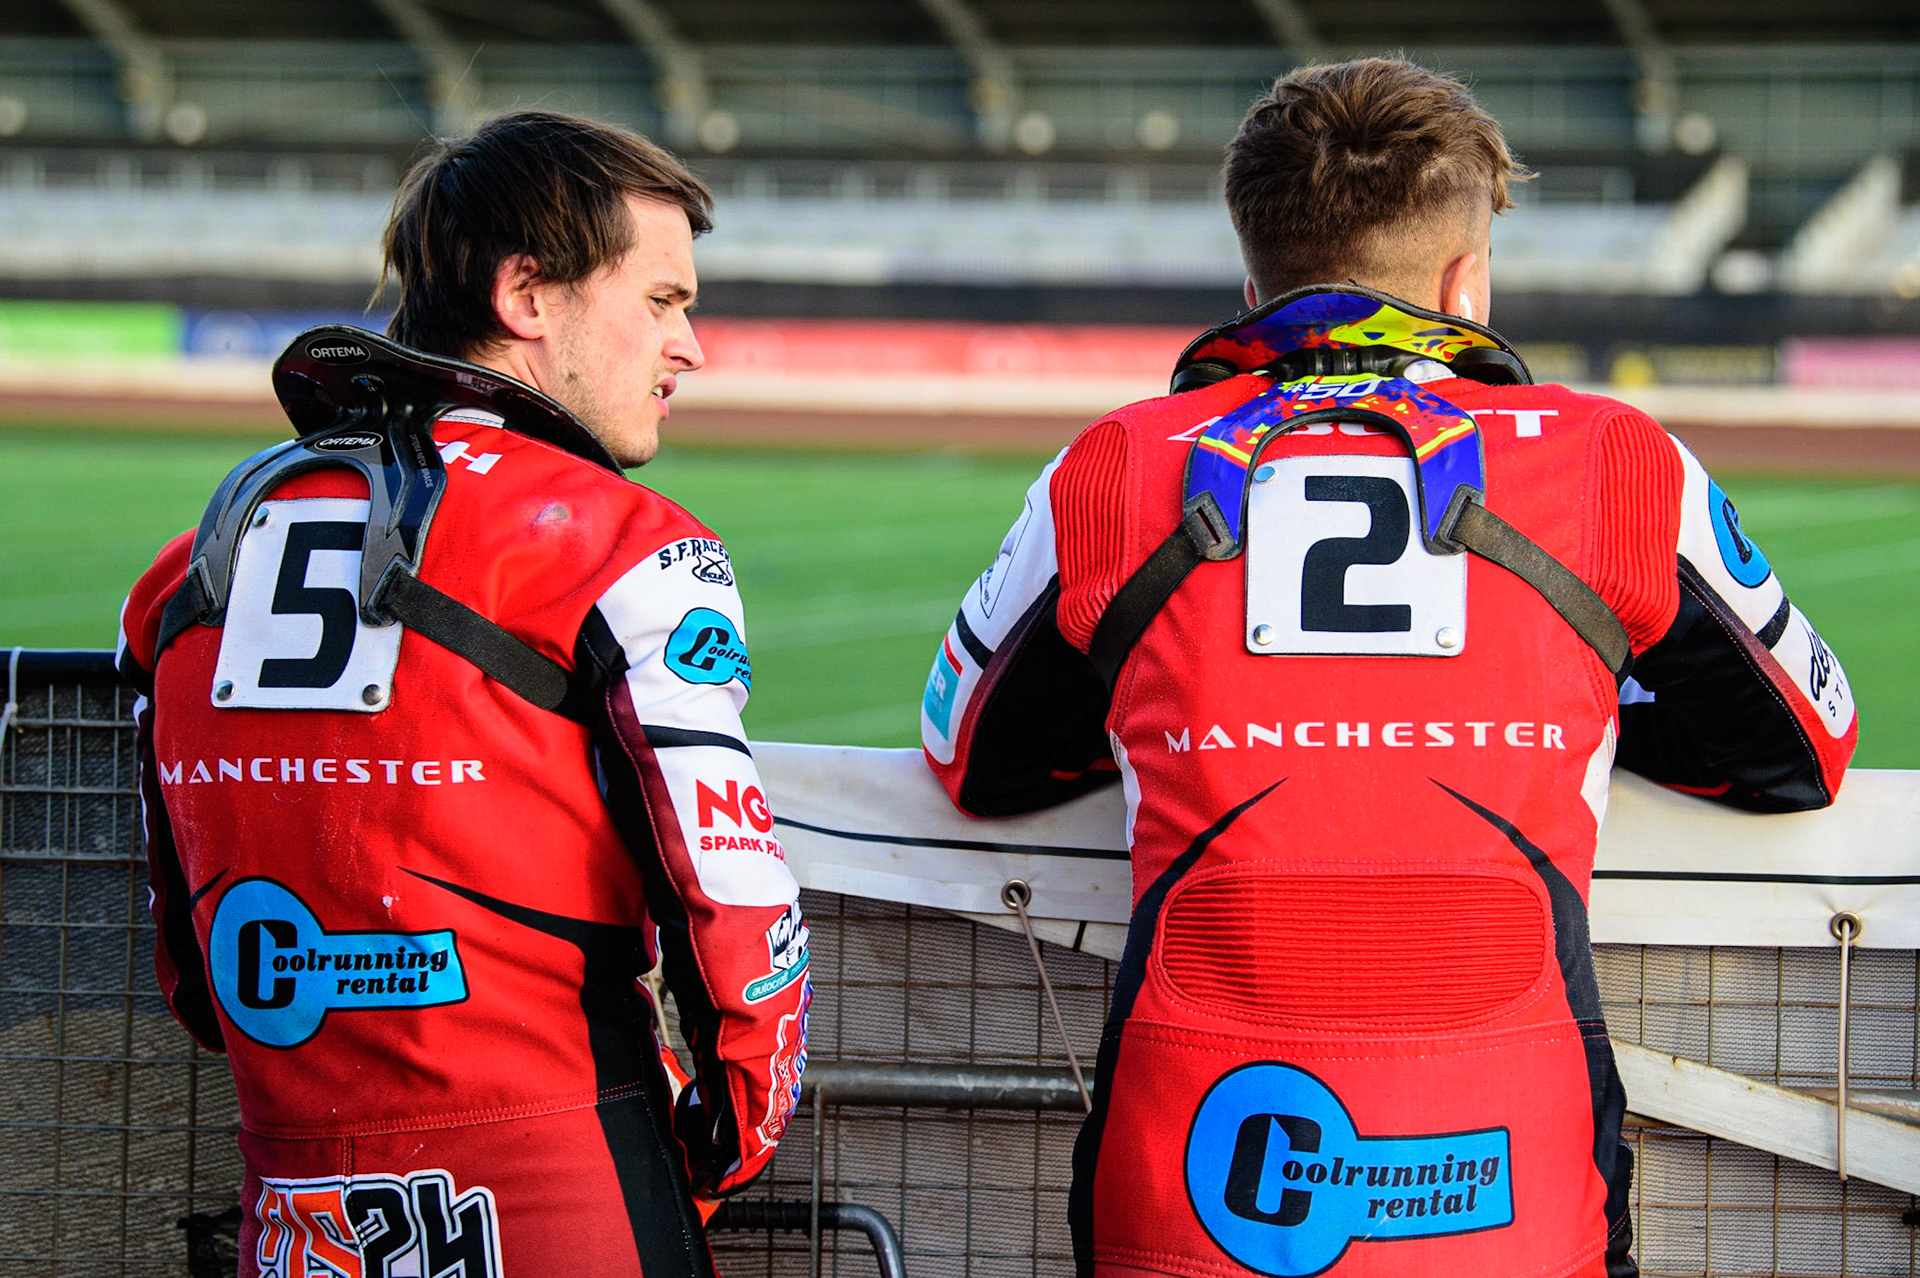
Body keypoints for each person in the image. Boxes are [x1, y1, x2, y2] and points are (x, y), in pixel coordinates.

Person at [921, 59, 1855, 1278]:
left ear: (1253, 278)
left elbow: (971, 762)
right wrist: (1584, 707)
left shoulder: (1110, 465)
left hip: (1187, 1178)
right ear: (1468, 281)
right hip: (1520, 1190)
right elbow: (1801, 752)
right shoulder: (1616, 458)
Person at [118, 111, 809, 1278]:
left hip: (299, 1213)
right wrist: (728, 1139)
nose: (689, 347)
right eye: (662, 302)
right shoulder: (626, 546)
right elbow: (735, 909)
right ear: (528, 296)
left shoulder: (185, 570)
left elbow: (187, 955)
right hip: (562, 1191)